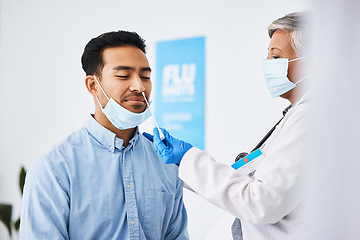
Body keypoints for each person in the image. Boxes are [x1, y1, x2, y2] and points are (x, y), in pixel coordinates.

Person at [144, 12, 309, 240]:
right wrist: (182, 166)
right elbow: (255, 188)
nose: (268, 65)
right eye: (268, 57)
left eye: (276, 57)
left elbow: (261, 201)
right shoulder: (299, 115)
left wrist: (187, 159)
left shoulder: (310, 119)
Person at [20, 30, 189, 240]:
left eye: (145, 76)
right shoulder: (54, 169)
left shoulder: (166, 163)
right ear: (93, 85)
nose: (139, 86)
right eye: (123, 75)